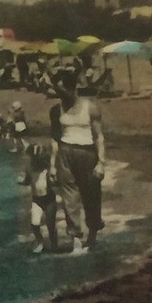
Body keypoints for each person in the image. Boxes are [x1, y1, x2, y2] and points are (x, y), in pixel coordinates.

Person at [50, 68, 105, 250]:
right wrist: (52, 165)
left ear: (73, 88)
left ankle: (93, 233)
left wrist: (101, 162)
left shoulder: (91, 107)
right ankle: (75, 239)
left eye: (62, 90)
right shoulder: (55, 110)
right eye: (56, 91)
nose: (59, 94)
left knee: (92, 195)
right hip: (65, 152)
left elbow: (99, 136)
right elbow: (55, 138)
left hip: (87, 153)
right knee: (69, 198)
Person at [20, 142, 57, 253]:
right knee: (35, 223)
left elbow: (54, 182)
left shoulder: (47, 170)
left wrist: (53, 180)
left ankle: (54, 244)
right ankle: (40, 242)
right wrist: (22, 181)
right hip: (37, 200)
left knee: (51, 225)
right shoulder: (29, 169)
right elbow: (27, 181)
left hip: (49, 199)